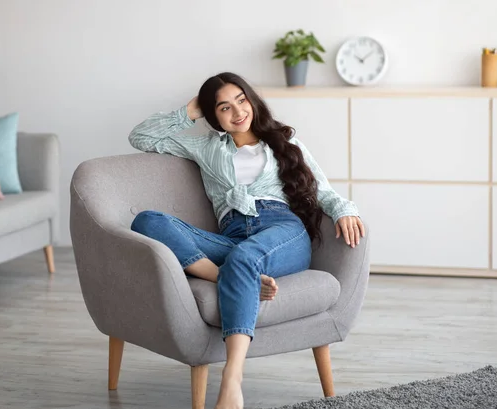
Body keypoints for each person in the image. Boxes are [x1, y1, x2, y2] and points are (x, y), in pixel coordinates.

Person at [128, 72, 365, 409]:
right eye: (224, 107)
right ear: (214, 117)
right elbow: (140, 137)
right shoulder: (205, 146)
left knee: (244, 259)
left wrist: (344, 210)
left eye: (241, 100)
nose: (237, 111)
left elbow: (322, 189)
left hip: (282, 229)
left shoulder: (285, 143)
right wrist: (190, 111)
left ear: (252, 100)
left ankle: (232, 379)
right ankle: (226, 275)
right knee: (147, 221)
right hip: (233, 236)